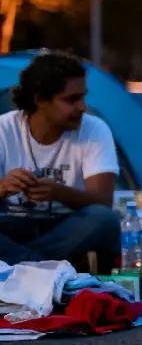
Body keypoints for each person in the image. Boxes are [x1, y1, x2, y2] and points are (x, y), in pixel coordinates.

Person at [0, 52, 120, 270]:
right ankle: (46, 268)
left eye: (83, 97)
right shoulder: (4, 129)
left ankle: (25, 268)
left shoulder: (94, 129)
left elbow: (103, 201)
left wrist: (58, 192)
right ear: (40, 100)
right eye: (71, 99)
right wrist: (3, 187)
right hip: (12, 225)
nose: (82, 107)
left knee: (105, 220)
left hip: (67, 227)